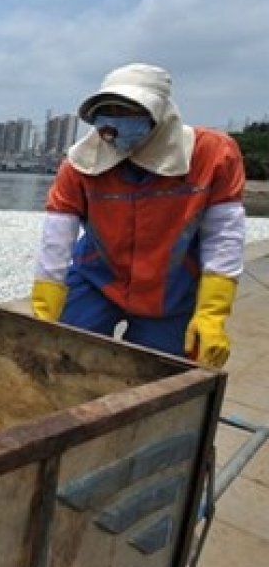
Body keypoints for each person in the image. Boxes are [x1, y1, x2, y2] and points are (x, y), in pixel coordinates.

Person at [30, 63, 246, 367]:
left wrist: (212, 314)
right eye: (107, 111)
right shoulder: (80, 162)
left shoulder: (212, 155)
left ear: (160, 113)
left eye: (127, 110)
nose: (114, 122)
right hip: (97, 278)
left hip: (171, 288)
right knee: (62, 354)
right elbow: (56, 239)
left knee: (158, 373)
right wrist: (45, 306)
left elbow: (224, 236)